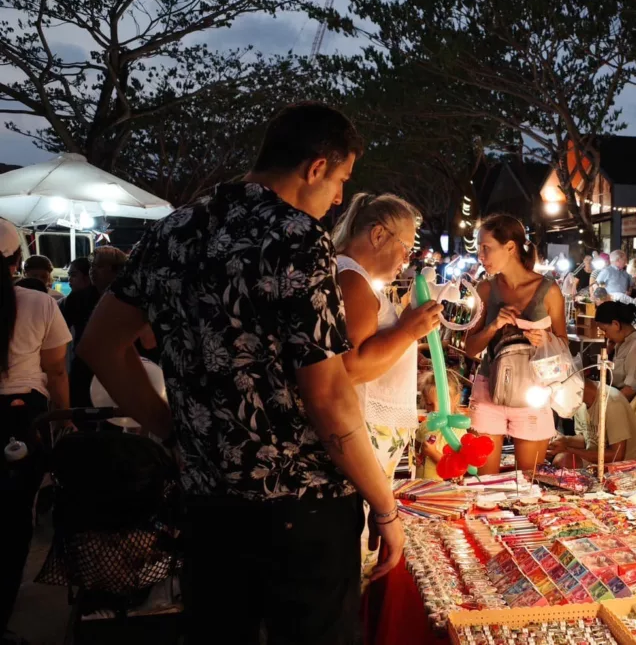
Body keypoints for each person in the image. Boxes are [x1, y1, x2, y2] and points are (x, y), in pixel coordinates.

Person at [76, 102, 403, 644]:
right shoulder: (298, 237)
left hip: (209, 504)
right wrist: (385, 506)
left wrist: (169, 429)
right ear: (316, 167)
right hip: (303, 509)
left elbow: (99, 345)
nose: (341, 197)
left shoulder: (174, 231)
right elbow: (328, 397)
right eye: (342, 179)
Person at [332, 193, 441, 482]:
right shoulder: (352, 279)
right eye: (406, 247)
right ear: (378, 234)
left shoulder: (357, 278)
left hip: (372, 429)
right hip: (363, 429)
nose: (407, 260)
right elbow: (352, 366)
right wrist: (408, 330)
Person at [1, 218, 72, 639]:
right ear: (16, 260)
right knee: (14, 521)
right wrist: (66, 417)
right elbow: (56, 370)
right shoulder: (39, 303)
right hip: (21, 416)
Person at [464, 214, 567, 474]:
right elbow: (470, 348)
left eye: (486, 248)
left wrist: (546, 339)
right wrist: (493, 326)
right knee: (484, 485)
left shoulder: (549, 291)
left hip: (533, 393)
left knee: (529, 485)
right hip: (489, 390)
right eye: (479, 249)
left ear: (510, 247)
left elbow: (564, 345)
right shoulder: (485, 289)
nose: (480, 255)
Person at [62, 247, 126, 407]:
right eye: (91, 266)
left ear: (115, 270)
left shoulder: (129, 298)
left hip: (120, 370)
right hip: (84, 369)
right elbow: (60, 330)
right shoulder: (77, 299)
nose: (92, 271)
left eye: (98, 266)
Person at [548, 379, 636, 467]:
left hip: (624, 464)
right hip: (596, 456)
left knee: (563, 461)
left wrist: (567, 449)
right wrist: (565, 440)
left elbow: (617, 456)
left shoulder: (612, 403)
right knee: (548, 455)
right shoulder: (579, 401)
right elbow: (587, 439)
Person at [594, 301, 636, 401]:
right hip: (615, 393)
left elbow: (631, 389)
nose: (605, 335)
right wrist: (608, 351)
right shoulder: (620, 342)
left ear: (616, 324)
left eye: (604, 330)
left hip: (627, 403)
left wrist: (605, 403)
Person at [414, 370, 466, 480]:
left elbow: (458, 467)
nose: (436, 409)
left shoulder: (459, 431)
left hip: (442, 489)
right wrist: (416, 456)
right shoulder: (425, 424)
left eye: (442, 403)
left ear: (455, 399)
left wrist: (433, 453)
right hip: (421, 485)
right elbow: (416, 446)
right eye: (429, 404)